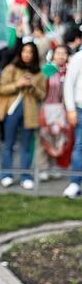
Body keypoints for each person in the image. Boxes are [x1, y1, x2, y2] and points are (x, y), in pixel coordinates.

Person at [0, 42, 47, 189]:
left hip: (30, 113)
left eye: (30, 52)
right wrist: (18, 84)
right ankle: (6, 175)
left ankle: (25, 176)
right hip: (12, 110)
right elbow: (2, 89)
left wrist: (32, 86)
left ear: (34, 55)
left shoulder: (40, 73)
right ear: (20, 53)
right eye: (24, 51)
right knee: (8, 144)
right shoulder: (11, 68)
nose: (27, 54)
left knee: (26, 146)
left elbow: (42, 95)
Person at [37, 45, 72, 182]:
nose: (61, 56)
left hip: (60, 108)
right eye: (58, 53)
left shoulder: (68, 71)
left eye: (64, 53)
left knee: (57, 137)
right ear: (53, 55)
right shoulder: (47, 70)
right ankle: (42, 168)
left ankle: (53, 167)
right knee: (44, 137)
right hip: (46, 107)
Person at [62, 42, 82, 198]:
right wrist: (70, 109)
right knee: (79, 147)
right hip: (80, 109)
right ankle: (75, 183)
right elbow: (68, 84)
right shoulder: (78, 57)